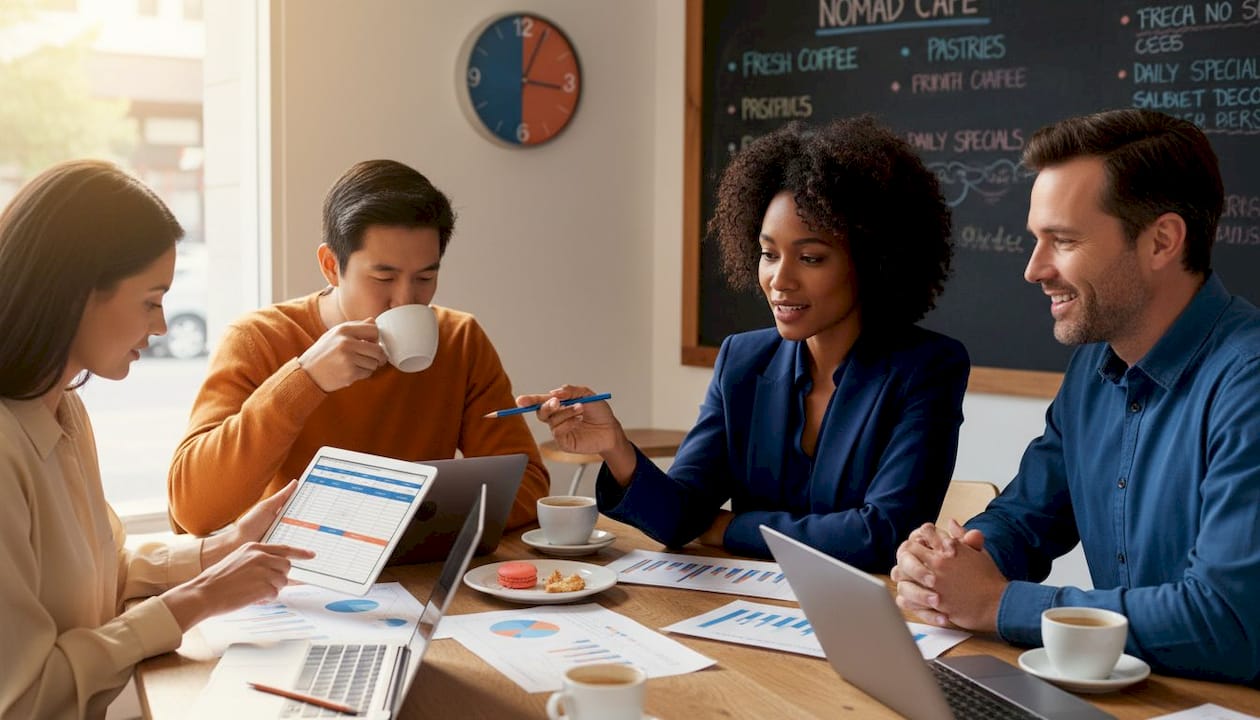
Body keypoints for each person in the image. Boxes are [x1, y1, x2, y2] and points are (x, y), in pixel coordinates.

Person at [892, 108, 1260, 684]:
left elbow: (1229, 623)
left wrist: (996, 604)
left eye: (1062, 241)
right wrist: (957, 563)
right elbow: (1027, 517)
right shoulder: (1094, 366)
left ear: (1162, 241)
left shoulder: (1249, 383)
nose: (1034, 269)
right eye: (1037, 240)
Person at [521, 117, 970, 568]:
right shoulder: (743, 360)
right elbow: (679, 519)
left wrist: (725, 527)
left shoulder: (928, 368)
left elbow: (881, 535)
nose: (779, 279)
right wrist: (614, 446)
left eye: (810, 258)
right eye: (768, 254)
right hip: (741, 614)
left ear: (872, 261)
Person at [0, 160, 314, 719]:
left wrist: (221, 548)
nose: (163, 325)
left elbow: (99, 573)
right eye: (150, 300)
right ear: (76, 293)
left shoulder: (63, 410)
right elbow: (23, 698)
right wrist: (198, 600)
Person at [167, 159, 549, 536]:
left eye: (425, 277)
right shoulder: (259, 339)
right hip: (290, 578)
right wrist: (306, 379)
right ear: (331, 266)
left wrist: (385, 523)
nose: (406, 300)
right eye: (384, 276)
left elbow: (527, 485)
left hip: (415, 572)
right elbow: (194, 509)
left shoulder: (459, 340)